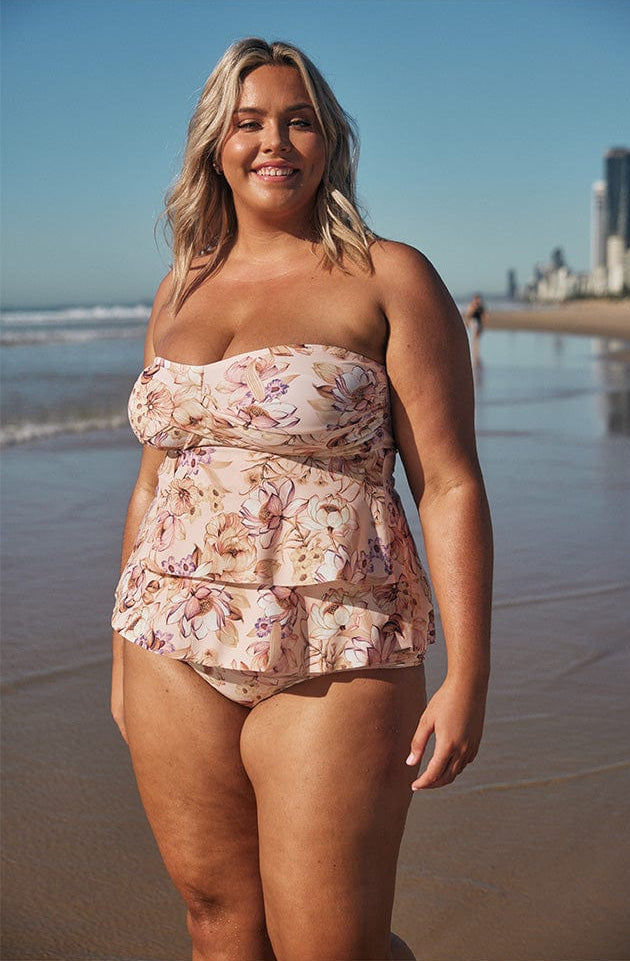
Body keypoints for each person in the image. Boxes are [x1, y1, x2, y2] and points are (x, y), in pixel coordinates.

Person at [111, 37, 492, 961]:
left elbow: (447, 481)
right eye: (248, 122)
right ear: (216, 144)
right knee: (218, 925)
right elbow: (158, 476)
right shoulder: (180, 285)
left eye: (299, 120)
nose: (273, 141)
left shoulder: (387, 274)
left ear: (330, 142)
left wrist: (470, 675)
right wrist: (119, 654)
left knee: (330, 944)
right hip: (169, 634)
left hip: (340, 637)